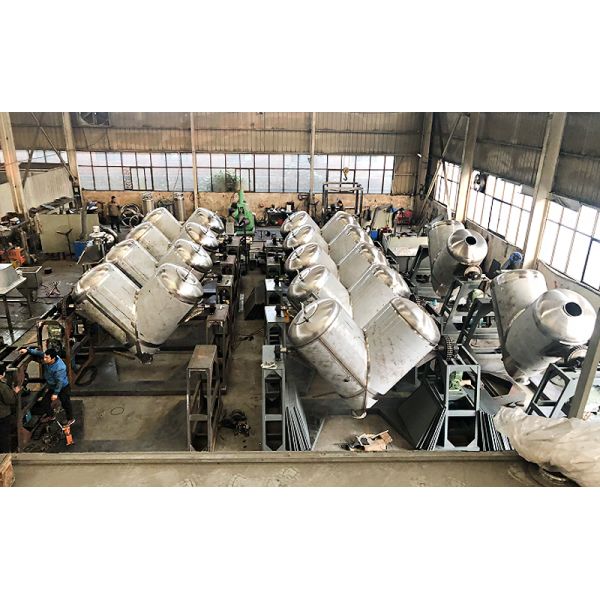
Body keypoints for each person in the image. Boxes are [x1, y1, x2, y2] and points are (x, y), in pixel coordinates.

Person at [19, 347, 74, 426]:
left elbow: (60, 382)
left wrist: (55, 393)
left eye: (46, 358)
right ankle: (51, 416)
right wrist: (27, 350)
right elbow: (39, 353)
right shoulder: (49, 357)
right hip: (52, 386)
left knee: (66, 403)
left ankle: (70, 419)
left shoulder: (59, 368)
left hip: (62, 387)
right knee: (45, 402)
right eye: (44, 357)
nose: (44, 359)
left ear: (53, 358)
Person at [0, 364, 20, 453]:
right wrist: (14, 392)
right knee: (4, 437)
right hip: (2, 415)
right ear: (2, 374)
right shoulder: (3, 387)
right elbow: (10, 400)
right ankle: (5, 456)